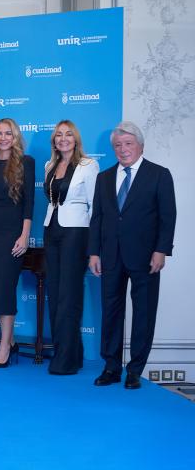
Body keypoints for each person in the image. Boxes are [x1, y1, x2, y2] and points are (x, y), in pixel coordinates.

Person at [89, 121, 176, 390]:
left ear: (140, 146)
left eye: (128, 144)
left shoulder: (159, 175)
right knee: (111, 313)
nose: (123, 149)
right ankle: (111, 367)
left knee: (143, 313)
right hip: (111, 257)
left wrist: (161, 250)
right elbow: (97, 218)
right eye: (118, 145)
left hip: (146, 257)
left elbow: (167, 216)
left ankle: (135, 370)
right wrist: (94, 252)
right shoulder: (104, 178)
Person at [42, 120, 99, 375]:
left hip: (76, 233)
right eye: (58, 135)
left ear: (75, 139)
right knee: (54, 293)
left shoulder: (88, 166)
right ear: (54, 140)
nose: (63, 138)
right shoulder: (49, 165)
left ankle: (65, 359)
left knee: (69, 294)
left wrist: (95, 246)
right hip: (51, 230)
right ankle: (70, 353)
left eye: (68, 134)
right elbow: (53, 201)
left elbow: (95, 208)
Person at [0, 118, 35, 368]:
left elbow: (29, 203)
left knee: (6, 288)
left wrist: (24, 235)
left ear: (15, 137)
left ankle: (4, 349)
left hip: (14, 232)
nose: (3, 138)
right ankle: (10, 341)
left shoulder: (26, 162)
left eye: (8, 134)